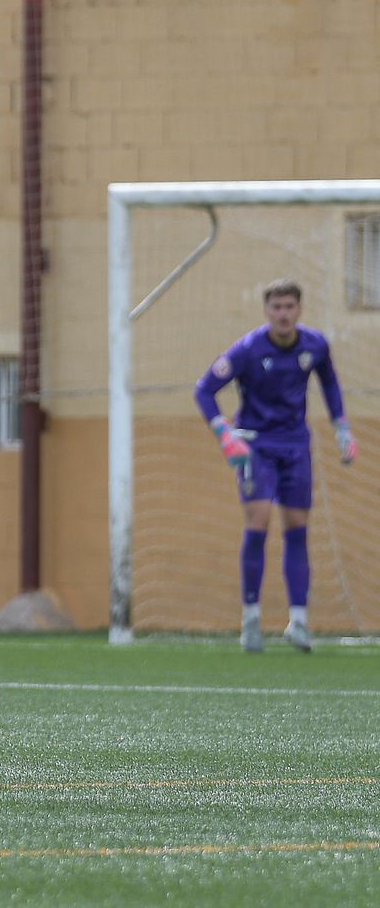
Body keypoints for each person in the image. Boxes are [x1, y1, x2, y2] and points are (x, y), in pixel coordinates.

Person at [194, 278, 357, 653]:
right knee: (259, 521)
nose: (283, 314)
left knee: (297, 528)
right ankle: (251, 620)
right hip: (255, 446)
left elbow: (330, 384)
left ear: (299, 309)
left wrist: (342, 429)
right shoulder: (248, 349)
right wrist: (224, 433)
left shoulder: (315, 345)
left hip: (296, 445)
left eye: (289, 307)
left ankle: (298, 622)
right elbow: (204, 389)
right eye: (276, 307)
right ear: (266, 311)